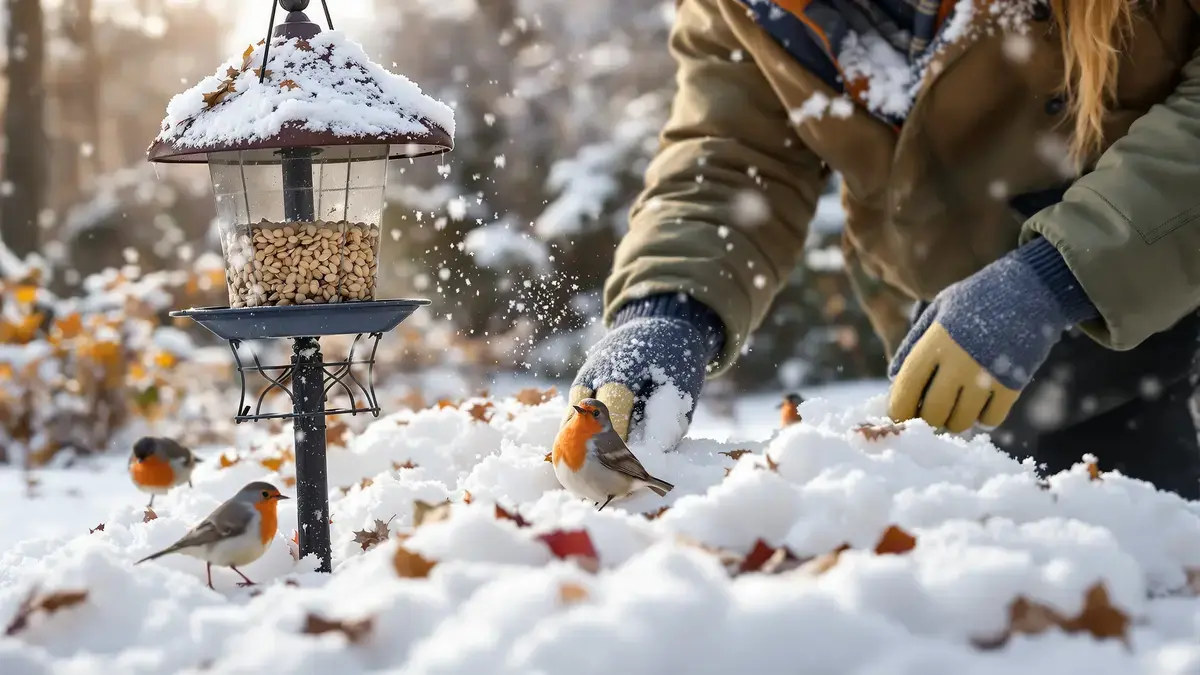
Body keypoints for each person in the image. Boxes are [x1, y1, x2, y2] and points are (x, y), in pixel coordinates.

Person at [567, 0, 1200, 498]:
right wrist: (668, 308)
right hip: (946, 352)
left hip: (1162, 322)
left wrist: (1059, 275)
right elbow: (734, 158)